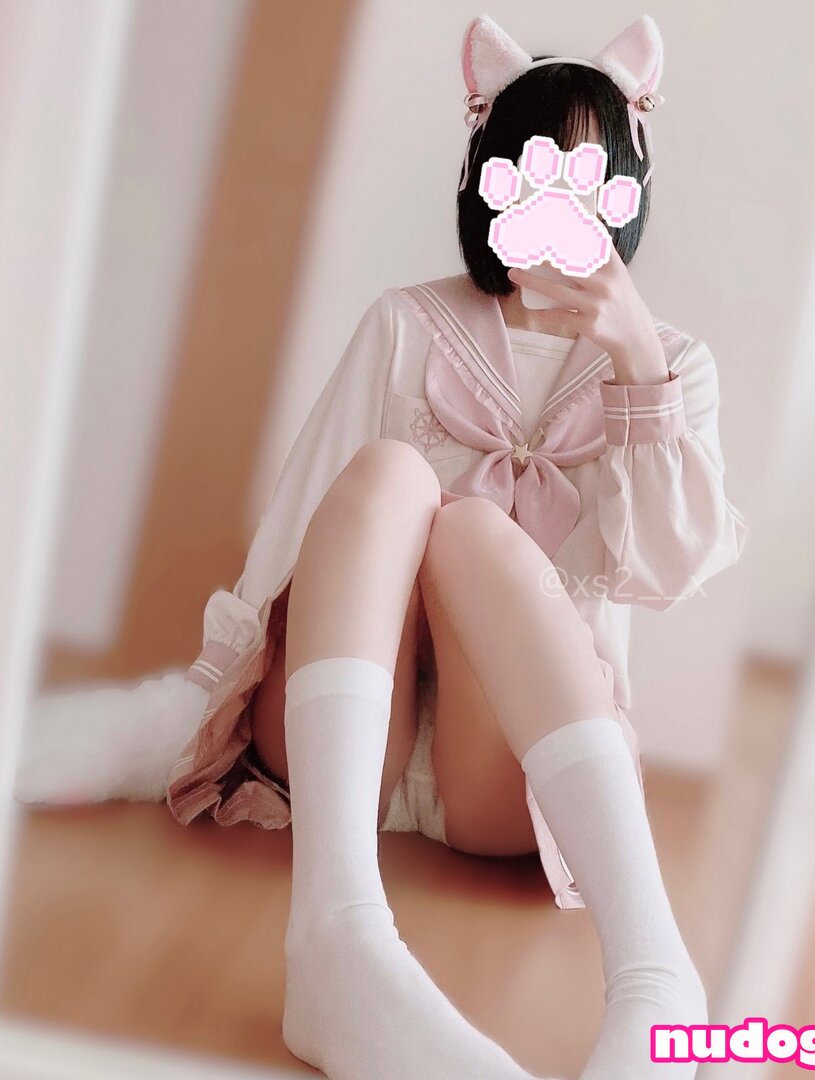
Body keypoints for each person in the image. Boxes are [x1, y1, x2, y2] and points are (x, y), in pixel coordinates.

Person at [20, 14, 748, 1080]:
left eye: (591, 182)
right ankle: (338, 936)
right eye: (534, 175)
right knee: (390, 475)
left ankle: (656, 977)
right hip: (337, 759)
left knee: (476, 533)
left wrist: (637, 363)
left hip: (499, 780)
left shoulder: (673, 367)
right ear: (489, 182)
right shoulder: (407, 324)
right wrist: (207, 695)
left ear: (627, 194)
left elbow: (666, 570)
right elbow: (297, 529)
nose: (562, 209)